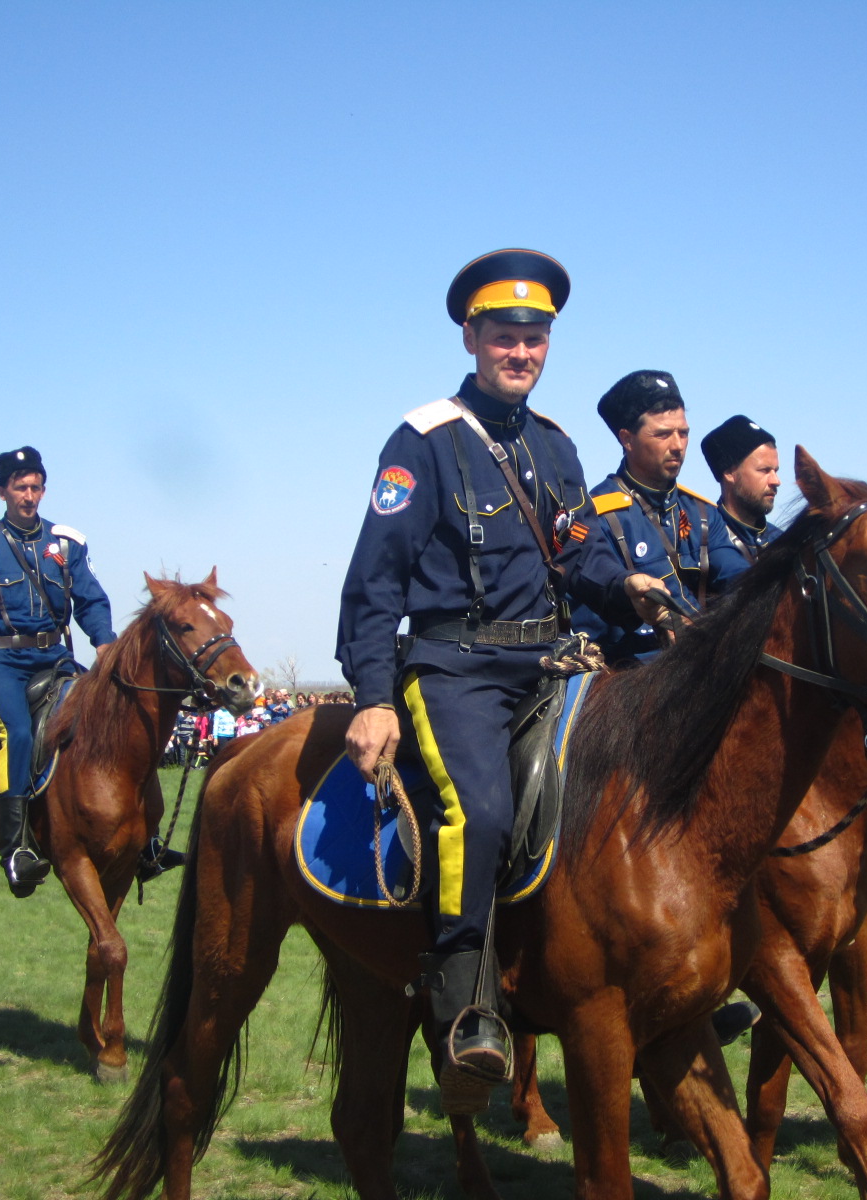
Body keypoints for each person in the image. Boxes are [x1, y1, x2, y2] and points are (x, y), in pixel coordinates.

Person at [335, 249, 655, 1114]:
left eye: (535, 338)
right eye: (506, 336)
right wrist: (371, 696)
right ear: (472, 337)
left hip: (552, 662)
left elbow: (579, 550)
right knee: (477, 814)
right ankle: (464, 1003)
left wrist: (622, 584)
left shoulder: (554, 444)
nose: (521, 351)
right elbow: (374, 583)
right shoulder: (424, 440)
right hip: (457, 669)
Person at [0, 446, 117, 897]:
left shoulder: (67, 543)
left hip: (55, 658)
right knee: (16, 733)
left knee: (106, 719)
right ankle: (15, 847)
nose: (29, 495)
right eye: (20, 487)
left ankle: (143, 838)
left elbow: (91, 601)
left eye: (36, 486)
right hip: (1, 661)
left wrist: (106, 644)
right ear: (2, 491)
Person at [570, 370, 750, 664]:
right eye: (663, 434)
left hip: (703, 665)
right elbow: (596, 633)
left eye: (684, 433)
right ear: (627, 439)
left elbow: (740, 582)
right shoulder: (597, 516)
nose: (678, 445)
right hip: (632, 678)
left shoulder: (702, 514)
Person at [700, 415, 784, 562]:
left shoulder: (782, 543)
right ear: (730, 473)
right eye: (764, 470)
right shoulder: (704, 540)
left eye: (775, 471)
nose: (776, 481)